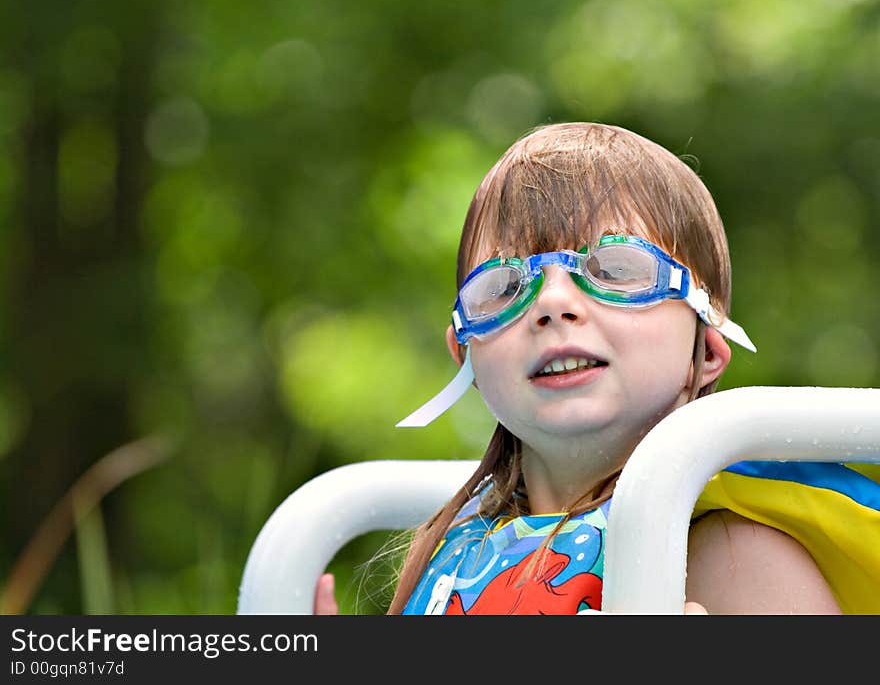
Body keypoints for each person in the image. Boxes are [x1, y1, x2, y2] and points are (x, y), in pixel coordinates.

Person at [313, 122, 878, 615]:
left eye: (616, 268)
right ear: (467, 355)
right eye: (502, 287)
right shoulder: (452, 554)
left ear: (706, 351)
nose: (552, 302)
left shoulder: (733, 554)